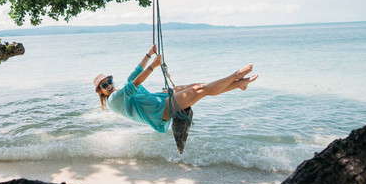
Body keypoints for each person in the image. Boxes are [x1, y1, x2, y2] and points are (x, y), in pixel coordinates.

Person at [93, 45, 258, 133]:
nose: (109, 85)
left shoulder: (119, 92)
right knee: (200, 90)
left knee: (196, 86)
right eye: (104, 85)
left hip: (159, 100)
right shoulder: (114, 100)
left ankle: (238, 84)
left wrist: (149, 54)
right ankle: (235, 76)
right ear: (101, 91)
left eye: (109, 80)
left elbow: (136, 71)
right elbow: (135, 83)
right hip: (158, 111)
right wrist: (153, 66)